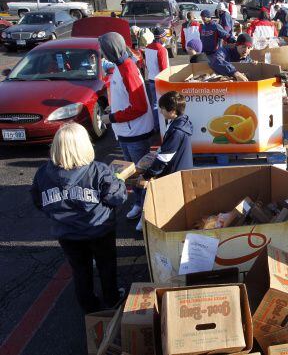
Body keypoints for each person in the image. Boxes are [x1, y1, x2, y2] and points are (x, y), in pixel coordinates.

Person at [31, 123, 127, 313]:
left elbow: (38, 201)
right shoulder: (98, 170)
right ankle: (112, 298)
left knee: (80, 270)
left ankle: (89, 305)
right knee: (106, 265)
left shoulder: (43, 173)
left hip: (67, 233)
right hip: (99, 229)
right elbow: (117, 197)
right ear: (85, 145)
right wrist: (119, 181)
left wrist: (59, 214)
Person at [99, 32, 154, 226]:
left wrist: (112, 117)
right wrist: (112, 109)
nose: (101, 53)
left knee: (141, 175)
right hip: (127, 131)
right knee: (132, 174)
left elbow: (139, 107)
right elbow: (126, 98)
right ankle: (139, 204)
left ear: (110, 50)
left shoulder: (127, 69)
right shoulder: (121, 65)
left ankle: (147, 213)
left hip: (135, 132)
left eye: (102, 48)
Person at [136, 92, 193, 230]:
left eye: (162, 108)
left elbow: (164, 159)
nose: (160, 111)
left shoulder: (177, 131)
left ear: (172, 111)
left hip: (174, 171)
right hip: (181, 167)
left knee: (160, 196)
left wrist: (147, 175)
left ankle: (150, 222)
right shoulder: (182, 121)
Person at [144, 26, 169, 131]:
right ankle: (164, 126)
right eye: (165, 36)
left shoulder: (148, 47)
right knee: (165, 103)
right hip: (160, 80)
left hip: (151, 79)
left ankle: (156, 126)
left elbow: (146, 64)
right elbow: (164, 69)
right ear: (161, 37)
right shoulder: (161, 50)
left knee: (154, 104)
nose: (166, 38)